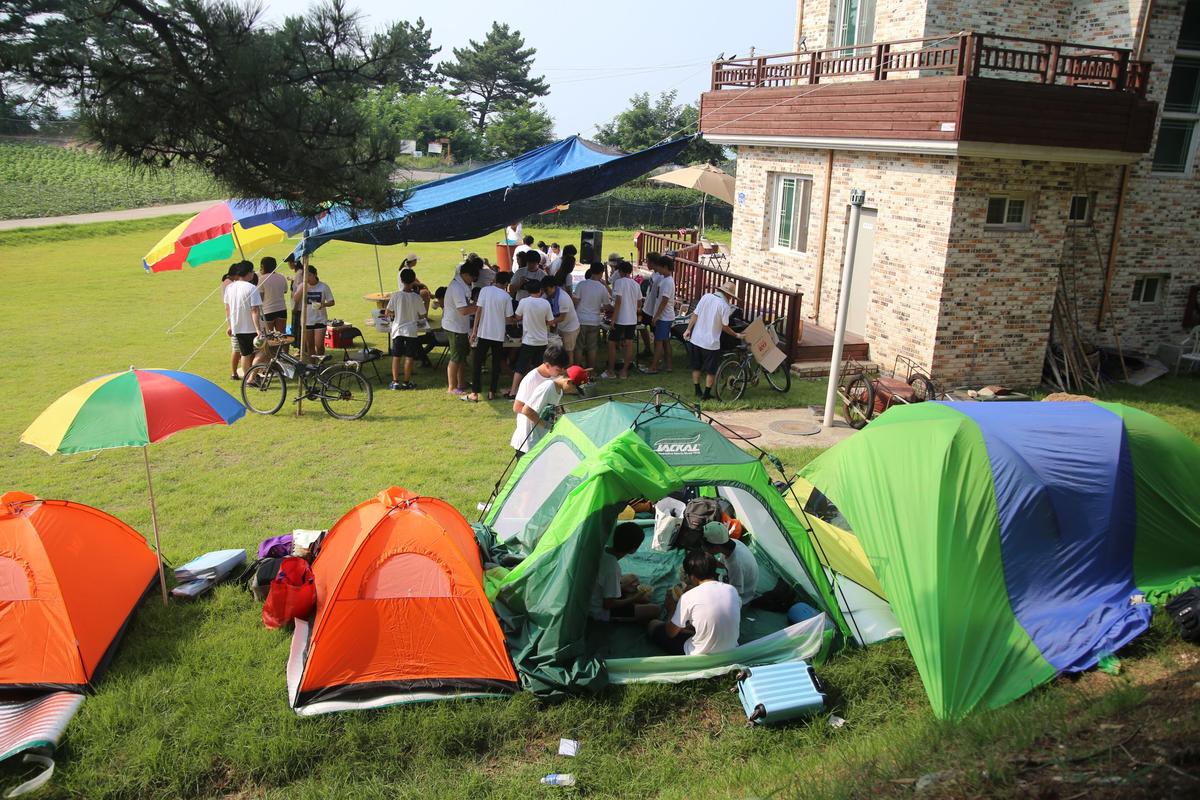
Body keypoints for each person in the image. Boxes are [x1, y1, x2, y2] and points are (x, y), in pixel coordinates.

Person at [647, 550, 741, 656]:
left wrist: (671, 610)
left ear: (692, 577)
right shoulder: (731, 590)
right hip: (731, 649)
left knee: (653, 624)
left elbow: (671, 633)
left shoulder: (688, 597)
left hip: (699, 655)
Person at [591, 522, 661, 623]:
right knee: (655, 610)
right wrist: (634, 599)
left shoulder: (603, 549)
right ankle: (623, 610)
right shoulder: (612, 568)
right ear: (633, 550)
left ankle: (627, 597)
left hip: (595, 592)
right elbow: (607, 605)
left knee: (632, 578)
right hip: (599, 610)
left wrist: (623, 588)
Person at [683, 281, 740, 400]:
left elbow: (695, 315)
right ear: (728, 295)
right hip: (711, 343)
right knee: (711, 370)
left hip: (696, 338)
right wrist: (736, 335)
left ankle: (697, 390)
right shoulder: (724, 306)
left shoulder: (706, 297)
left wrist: (688, 329)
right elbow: (724, 326)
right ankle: (706, 394)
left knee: (696, 366)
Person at [509, 345, 567, 453]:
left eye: (564, 369)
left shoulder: (553, 376)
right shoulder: (531, 379)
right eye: (558, 370)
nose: (561, 373)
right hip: (528, 438)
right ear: (547, 365)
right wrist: (542, 421)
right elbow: (517, 407)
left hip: (542, 436)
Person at [467, 271, 514, 402]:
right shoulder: (506, 296)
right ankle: (492, 392)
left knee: (477, 363)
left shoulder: (485, 290)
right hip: (498, 335)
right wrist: (517, 319)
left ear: (495, 279)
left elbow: (478, 311)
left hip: (484, 333)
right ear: (506, 283)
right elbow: (509, 318)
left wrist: (474, 330)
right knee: (496, 364)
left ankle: (475, 392)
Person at [507, 278, 555, 398]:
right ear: (540, 290)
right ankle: (540, 392)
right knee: (540, 368)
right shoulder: (545, 303)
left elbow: (517, 317)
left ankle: (513, 391)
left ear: (528, 291)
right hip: (542, 341)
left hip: (528, 340)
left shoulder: (524, 302)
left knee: (520, 367)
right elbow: (551, 321)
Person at [385, 267, 427, 390]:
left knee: (396, 356)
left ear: (401, 280)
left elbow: (388, 312)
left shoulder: (396, 295)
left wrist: (396, 313)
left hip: (398, 329)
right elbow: (423, 315)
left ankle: (395, 382)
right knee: (409, 357)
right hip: (411, 331)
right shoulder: (416, 297)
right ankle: (406, 382)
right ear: (414, 280)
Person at [442, 260, 479, 396]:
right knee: (456, 357)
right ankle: (452, 387)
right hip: (454, 327)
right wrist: (479, 307)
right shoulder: (456, 288)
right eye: (472, 278)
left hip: (461, 326)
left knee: (462, 357)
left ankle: (461, 383)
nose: (472, 281)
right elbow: (463, 310)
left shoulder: (463, 284)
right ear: (466, 274)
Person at [701, 521, 759, 606]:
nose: (703, 548)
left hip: (742, 595)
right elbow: (724, 564)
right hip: (735, 578)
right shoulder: (732, 543)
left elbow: (734, 593)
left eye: (704, 546)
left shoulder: (735, 564)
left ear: (716, 547)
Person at [224, 262, 265, 380]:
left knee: (245, 354)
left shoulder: (229, 287)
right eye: (252, 271)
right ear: (248, 272)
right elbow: (254, 310)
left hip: (237, 327)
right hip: (250, 327)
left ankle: (248, 378)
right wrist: (258, 329)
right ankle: (251, 378)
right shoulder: (251, 288)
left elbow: (227, 308)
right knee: (264, 351)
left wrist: (230, 325)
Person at [602, 260, 641, 380]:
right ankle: (624, 371)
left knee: (612, 343)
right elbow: (639, 303)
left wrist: (613, 319)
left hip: (620, 319)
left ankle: (611, 371)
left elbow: (618, 301)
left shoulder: (619, 282)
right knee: (629, 344)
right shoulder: (636, 284)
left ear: (620, 271)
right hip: (632, 319)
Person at [292, 265, 335, 358]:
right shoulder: (302, 286)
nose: (307, 278)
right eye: (305, 276)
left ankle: (321, 363)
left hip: (320, 319)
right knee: (310, 345)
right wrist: (303, 287)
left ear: (315, 274)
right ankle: (313, 364)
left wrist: (323, 305)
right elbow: (295, 299)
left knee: (319, 345)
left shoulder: (323, 286)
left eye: (309, 275)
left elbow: (332, 302)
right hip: (307, 320)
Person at [574, 263, 610, 369]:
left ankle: (577, 369)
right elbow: (607, 306)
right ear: (602, 273)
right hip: (594, 320)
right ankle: (590, 370)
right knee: (592, 347)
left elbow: (576, 301)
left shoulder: (581, 284)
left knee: (579, 346)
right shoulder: (602, 288)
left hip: (581, 319)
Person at [644, 255, 676, 374]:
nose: (659, 269)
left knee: (658, 342)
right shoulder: (664, 279)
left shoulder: (668, 282)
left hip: (664, 317)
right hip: (664, 316)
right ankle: (669, 365)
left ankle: (654, 367)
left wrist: (656, 316)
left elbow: (664, 301)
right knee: (665, 341)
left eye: (660, 267)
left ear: (666, 267)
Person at [546, 272, 580, 363]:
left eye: (547, 290)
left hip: (570, 328)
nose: (545, 292)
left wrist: (547, 322)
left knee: (569, 352)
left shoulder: (562, 298)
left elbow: (561, 318)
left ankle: (569, 369)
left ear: (553, 287)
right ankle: (562, 368)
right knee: (560, 351)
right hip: (561, 326)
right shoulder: (551, 295)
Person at [638, 253, 663, 366]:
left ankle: (658, 358)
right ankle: (647, 349)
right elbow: (650, 292)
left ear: (652, 262)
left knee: (657, 335)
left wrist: (656, 314)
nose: (646, 263)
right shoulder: (653, 274)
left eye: (647, 261)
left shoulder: (660, 277)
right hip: (647, 308)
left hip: (654, 311)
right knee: (641, 327)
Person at [258, 256, 288, 335]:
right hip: (281, 309)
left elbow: (260, 297)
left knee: (268, 337)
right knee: (282, 335)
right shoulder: (282, 277)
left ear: (263, 266)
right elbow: (285, 291)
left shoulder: (261, 279)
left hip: (267, 311)